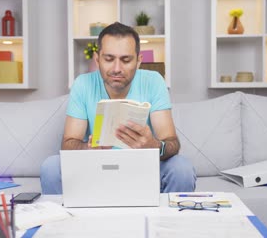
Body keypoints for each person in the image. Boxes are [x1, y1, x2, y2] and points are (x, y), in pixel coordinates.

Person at [40, 22, 196, 194]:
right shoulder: (83, 84)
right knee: (51, 166)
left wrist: (153, 145)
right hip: (96, 169)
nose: (116, 69)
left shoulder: (154, 81)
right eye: (108, 59)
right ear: (97, 59)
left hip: (143, 168)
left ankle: (169, 222)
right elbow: (68, 144)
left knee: (182, 168)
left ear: (138, 61)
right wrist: (88, 148)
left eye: (126, 60)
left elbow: (172, 143)